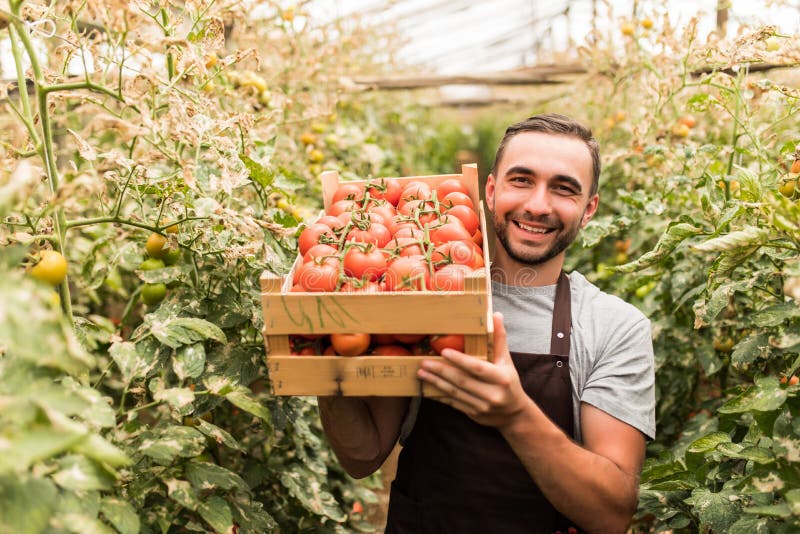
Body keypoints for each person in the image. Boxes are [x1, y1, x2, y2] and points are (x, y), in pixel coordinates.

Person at [318, 113, 656, 534]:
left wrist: (514, 414)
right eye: (521, 180)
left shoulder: (614, 327)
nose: (537, 204)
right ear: (491, 191)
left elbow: (611, 514)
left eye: (563, 189)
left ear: (588, 210)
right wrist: (325, 364)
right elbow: (363, 456)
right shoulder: (423, 295)